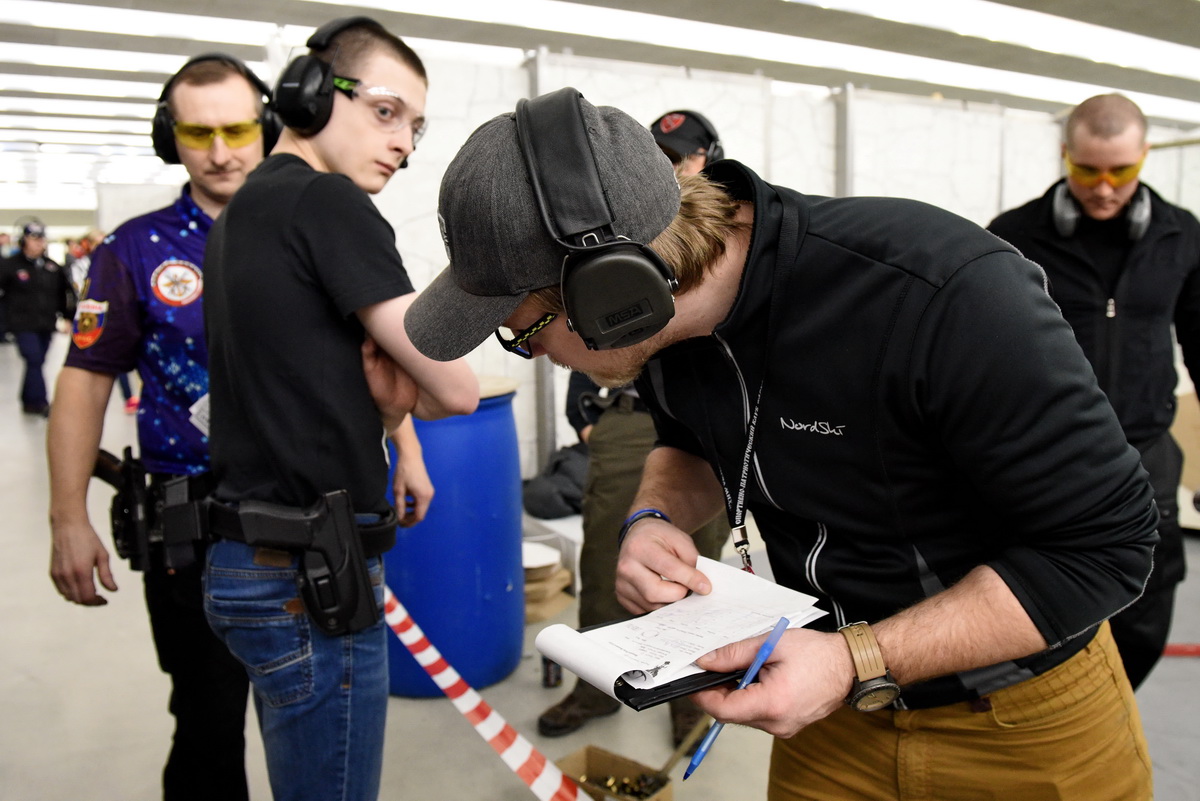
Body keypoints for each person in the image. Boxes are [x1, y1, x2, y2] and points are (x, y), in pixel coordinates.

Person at [405, 87, 1159, 799]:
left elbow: (1107, 546)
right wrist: (655, 517)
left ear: (610, 289)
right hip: (828, 704)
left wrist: (855, 657)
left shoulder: (941, 292)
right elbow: (686, 441)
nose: (527, 352)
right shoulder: (657, 330)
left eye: (525, 327)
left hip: (1025, 720)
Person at [202, 17, 478, 801]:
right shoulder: (328, 202)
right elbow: (455, 386)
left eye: (417, 127)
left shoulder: (248, 209)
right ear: (311, 94)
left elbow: (319, 376)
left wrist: (398, 427)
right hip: (309, 574)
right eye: (387, 111)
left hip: (249, 562)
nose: (403, 142)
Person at [47, 54, 280, 801]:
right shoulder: (132, 249)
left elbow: (363, 351)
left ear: (268, 127)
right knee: (207, 720)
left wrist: (403, 449)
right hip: (192, 529)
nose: (220, 151)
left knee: (308, 714)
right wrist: (66, 517)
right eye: (198, 132)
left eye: (239, 128)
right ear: (168, 136)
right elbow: (85, 381)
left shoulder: (309, 231)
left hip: (305, 516)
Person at [988, 94, 1200, 691]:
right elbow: (986, 351)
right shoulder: (1014, 235)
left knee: (1150, 597)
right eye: (1087, 171)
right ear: (1065, 156)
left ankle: (1112, 699)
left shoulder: (1183, 235)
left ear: (1144, 158)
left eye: (1121, 172)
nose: (1105, 188)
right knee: (1037, 582)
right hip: (1047, 450)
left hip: (1147, 449)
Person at [537, 109, 728, 747]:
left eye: (679, 155)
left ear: (707, 161)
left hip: (708, 424)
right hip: (630, 417)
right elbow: (577, 328)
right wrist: (583, 415)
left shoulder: (722, 239)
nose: (668, 167)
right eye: (656, 155)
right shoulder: (614, 232)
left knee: (698, 565)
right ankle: (596, 687)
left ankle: (689, 696)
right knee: (605, 555)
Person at [0, 220, 75, 415]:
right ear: (24, 241)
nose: (38, 243)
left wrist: (68, 317)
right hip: (21, 323)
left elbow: (65, 294)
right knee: (33, 358)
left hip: (46, 322)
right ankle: (40, 402)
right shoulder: (9, 266)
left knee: (37, 361)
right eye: (33, 239)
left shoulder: (52, 267)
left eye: (41, 239)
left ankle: (28, 399)